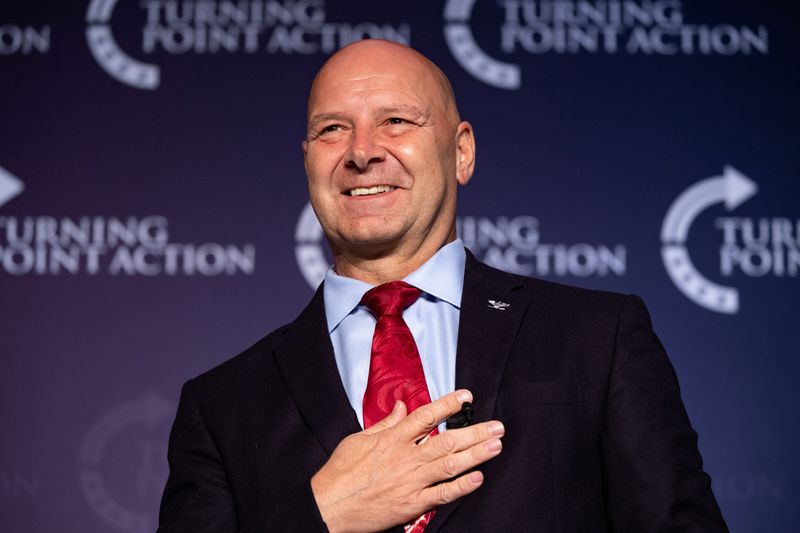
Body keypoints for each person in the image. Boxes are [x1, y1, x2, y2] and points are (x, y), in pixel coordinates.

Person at [158, 39, 728, 532]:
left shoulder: (597, 339)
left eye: (396, 121)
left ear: (461, 152)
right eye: (333, 129)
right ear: (308, 161)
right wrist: (321, 514)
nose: (362, 152)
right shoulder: (221, 406)